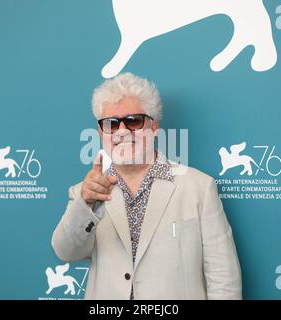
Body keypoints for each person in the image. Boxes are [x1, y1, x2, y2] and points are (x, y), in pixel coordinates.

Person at [52, 72, 242, 299]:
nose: (122, 131)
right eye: (111, 124)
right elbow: (66, 252)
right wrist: (86, 203)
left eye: (133, 121)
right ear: (100, 132)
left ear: (153, 127)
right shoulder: (86, 192)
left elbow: (224, 278)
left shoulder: (199, 187)